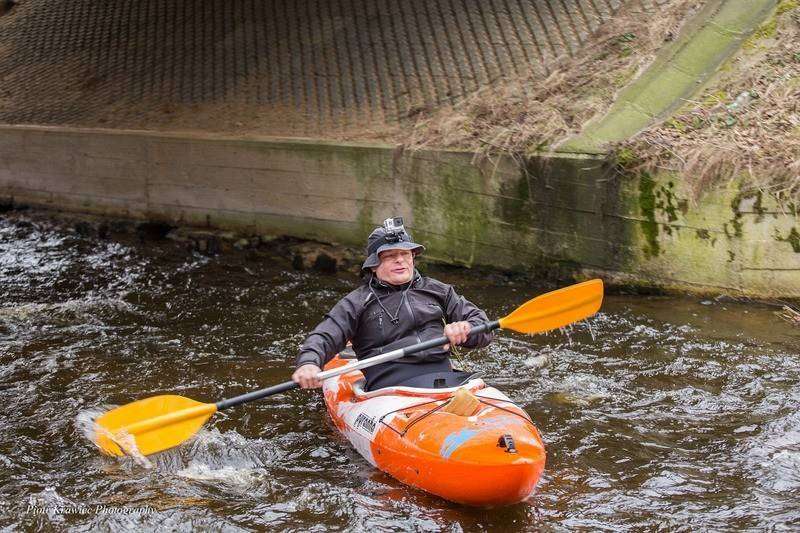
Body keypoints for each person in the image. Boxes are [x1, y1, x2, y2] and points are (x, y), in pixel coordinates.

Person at [292, 216, 493, 391]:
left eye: (405, 254)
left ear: (412, 257)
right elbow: (325, 335)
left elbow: (483, 329)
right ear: (373, 265)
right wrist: (309, 362)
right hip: (388, 389)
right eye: (390, 256)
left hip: (445, 381)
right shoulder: (356, 302)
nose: (400, 261)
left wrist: (467, 328)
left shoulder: (439, 290)